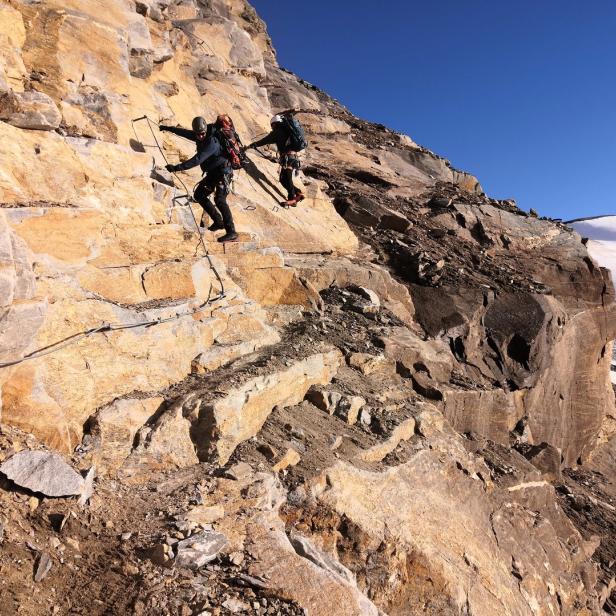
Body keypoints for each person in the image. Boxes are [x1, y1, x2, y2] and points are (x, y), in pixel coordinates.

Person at [160, 115, 238, 242]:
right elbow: (185, 132)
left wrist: (176, 167)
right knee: (199, 194)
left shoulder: (212, 142)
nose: (200, 136)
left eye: (202, 134)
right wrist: (168, 128)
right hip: (213, 173)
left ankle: (231, 231)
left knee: (220, 199)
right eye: (198, 134)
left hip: (223, 172)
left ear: (206, 130)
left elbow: (197, 160)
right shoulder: (198, 135)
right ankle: (218, 222)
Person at [245, 114, 305, 207]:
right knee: (283, 179)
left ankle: (292, 198)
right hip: (294, 158)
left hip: (287, 158)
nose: (272, 128)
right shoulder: (288, 131)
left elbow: (264, 141)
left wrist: (252, 145)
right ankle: (297, 193)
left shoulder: (277, 132)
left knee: (287, 177)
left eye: (272, 125)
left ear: (275, 124)